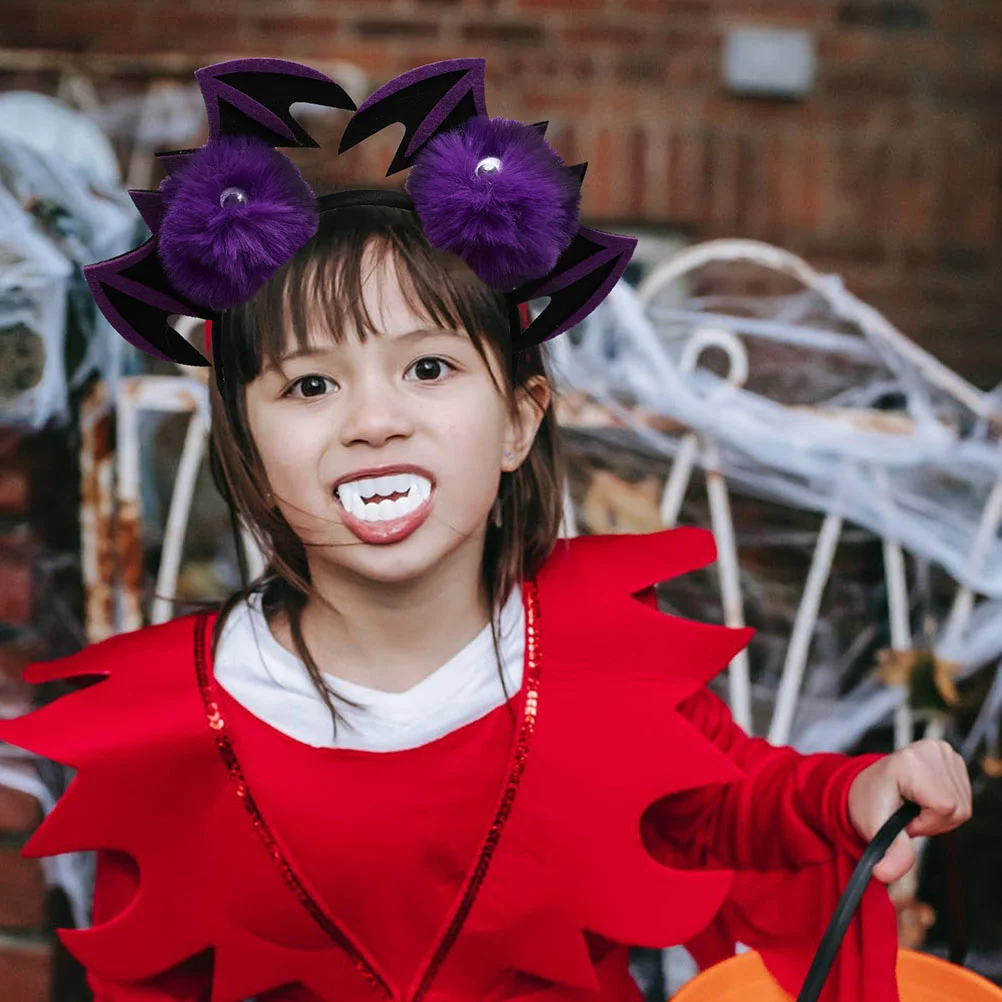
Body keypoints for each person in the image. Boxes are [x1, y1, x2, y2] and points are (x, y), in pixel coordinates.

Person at [0, 57, 972, 1002]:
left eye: (427, 369)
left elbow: (732, 805)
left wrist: (856, 795)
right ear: (247, 446)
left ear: (517, 420)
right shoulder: (170, 731)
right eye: (310, 384)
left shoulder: (600, 660)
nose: (373, 420)